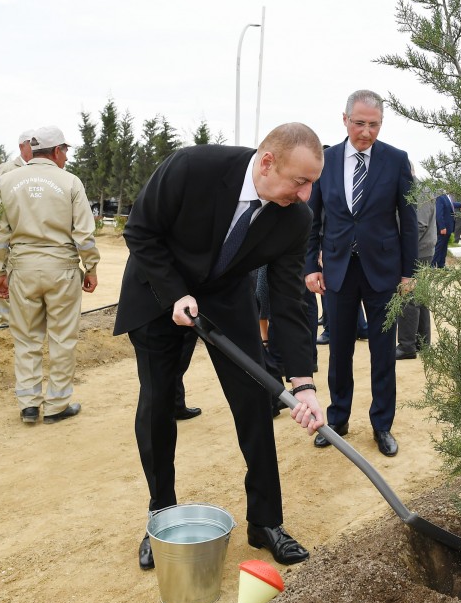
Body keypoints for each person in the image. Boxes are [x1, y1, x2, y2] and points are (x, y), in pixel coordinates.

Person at [113, 123, 325, 571]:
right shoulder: (193, 167)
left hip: (226, 298)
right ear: (267, 163)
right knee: (156, 402)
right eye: (299, 182)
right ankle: (161, 515)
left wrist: (303, 383)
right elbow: (141, 231)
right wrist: (174, 293)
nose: (305, 195)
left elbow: (288, 299)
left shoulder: (295, 217)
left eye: (312, 184)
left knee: (255, 397)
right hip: (158, 288)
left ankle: (266, 522)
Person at [305, 89, 418, 457]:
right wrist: (310, 266)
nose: (366, 132)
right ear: (345, 120)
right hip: (337, 270)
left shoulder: (396, 160)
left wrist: (408, 272)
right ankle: (337, 421)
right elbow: (313, 219)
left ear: (381, 124)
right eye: (359, 123)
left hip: (383, 272)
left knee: (383, 352)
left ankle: (382, 425)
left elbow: (409, 219)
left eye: (373, 125)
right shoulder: (327, 159)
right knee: (339, 351)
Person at [0, 126, 99, 425]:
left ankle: (29, 405)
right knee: (62, 338)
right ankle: (57, 405)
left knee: (25, 338)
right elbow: (84, 234)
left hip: (22, 270)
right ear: (57, 150)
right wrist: (91, 267)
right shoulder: (70, 182)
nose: (66, 156)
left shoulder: (7, 181)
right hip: (61, 270)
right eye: (66, 151)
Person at [0, 129, 35, 325]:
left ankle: (24, 319)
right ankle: (6, 320)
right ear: (22, 146)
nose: (35, 147)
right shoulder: (7, 169)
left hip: (28, 237)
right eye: (31, 143)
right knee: (2, 274)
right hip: (6, 235)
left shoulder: (40, 171)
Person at [396, 177, 437, 360]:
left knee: (408, 297)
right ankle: (421, 342)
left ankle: (407, 346)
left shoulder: (418, 190)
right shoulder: (421, 188)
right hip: (422, 250)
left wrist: (402, 251)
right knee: (419, 297)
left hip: (417, 252)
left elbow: (419, 225)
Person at [432, 192, 461, 268]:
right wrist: (442, 227)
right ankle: (433, 265)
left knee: (444, 247)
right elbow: (439, 214)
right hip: (444, 228)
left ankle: (441, 265)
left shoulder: (448, 197)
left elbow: (451, 205)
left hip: (449, 227)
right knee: (439, 247)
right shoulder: (441, 197)